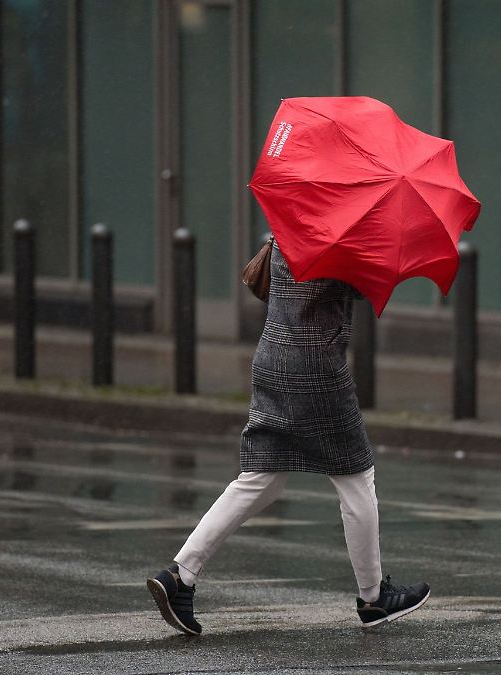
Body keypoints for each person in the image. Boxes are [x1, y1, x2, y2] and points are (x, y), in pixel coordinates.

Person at [146, 237, 429, 635]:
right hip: (316, 369)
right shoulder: (337, 237)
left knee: (261, 478)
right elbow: (364, 288)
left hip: (272, 359)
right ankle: (373, 598)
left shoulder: (292, 222)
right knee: (356, 477)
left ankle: (180, 574)